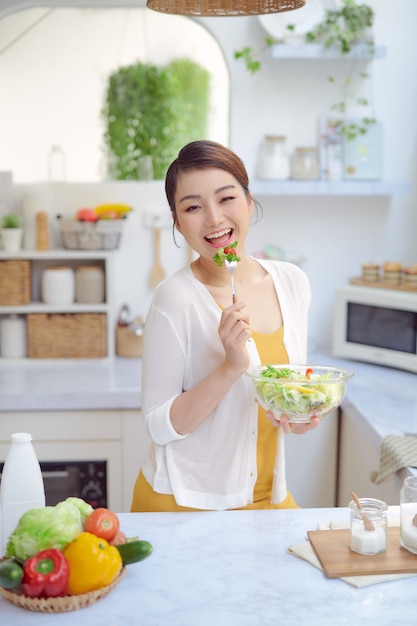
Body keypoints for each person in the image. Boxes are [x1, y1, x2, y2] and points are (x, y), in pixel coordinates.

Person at [131, 140, 319, 513]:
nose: (214, 219)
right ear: (178, 223)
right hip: (185, 501)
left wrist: (295, 416)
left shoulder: (292, 282)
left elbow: (285, 388)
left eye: (226, 198)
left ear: (249, 202)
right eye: (193, 207)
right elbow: (159, 426)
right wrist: (231, 367)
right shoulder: (175, 298)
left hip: (268, 494)